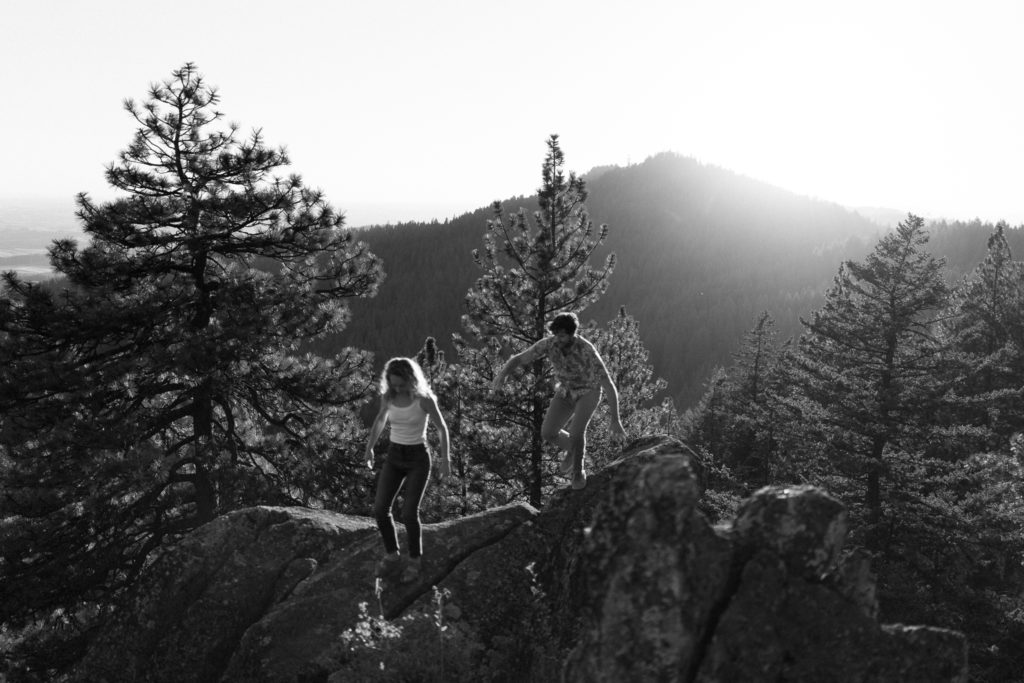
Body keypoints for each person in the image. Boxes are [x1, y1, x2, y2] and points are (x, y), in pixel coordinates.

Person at [491, 312, 625, 490]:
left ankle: (578, 472)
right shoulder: (549, 344)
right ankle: (572, 448)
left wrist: (615, 419)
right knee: (548, 432)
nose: (558, 339)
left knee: (577, 432)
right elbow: (519, 358)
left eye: (562, 335)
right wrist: (502, 375)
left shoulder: (586, 350)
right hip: (565, 391)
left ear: (572, 334)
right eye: (556, 334)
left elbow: (608, 384)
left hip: (589, 392)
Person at [365, 357, 451, 581]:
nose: (397, 388)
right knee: (380, 508)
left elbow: (442, 428)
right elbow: (380, 421)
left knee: (409, 513)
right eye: (394, 384)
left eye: (402, 384)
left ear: (411, 380)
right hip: (395, 456)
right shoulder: (389, 397)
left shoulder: (424, 399)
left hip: (417, 458)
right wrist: (370, 448)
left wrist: (446, 459)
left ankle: (414, 560)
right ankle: (392, 554)